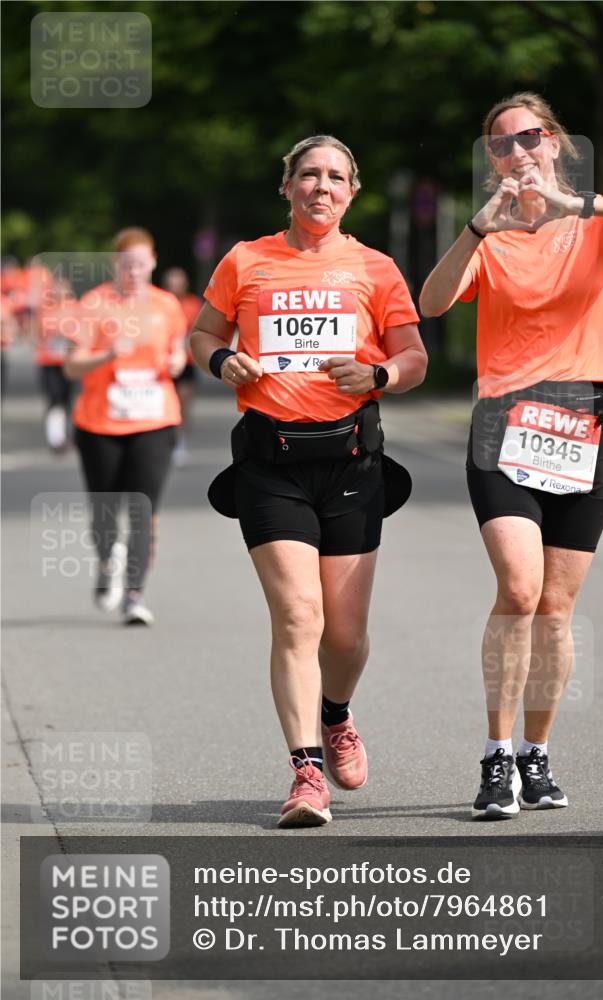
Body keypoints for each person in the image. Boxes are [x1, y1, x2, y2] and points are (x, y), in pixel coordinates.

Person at [420, 91, 603, 819]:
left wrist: (573, 204)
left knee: (556, 609)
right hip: (506, 422)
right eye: (501, 144)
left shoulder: (594, 224)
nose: (517, 153)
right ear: (490, 159)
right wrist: (474, 226)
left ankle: (535, 755)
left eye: (529, 138)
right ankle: (495, 759)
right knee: (520, 590)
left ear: (553, 142)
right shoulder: (489, 236)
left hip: (587, 424)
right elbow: (432, 303)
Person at [191, 135, 427, 827]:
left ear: (351, 192)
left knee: (345, 636)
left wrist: (380, 374)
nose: (320, 187)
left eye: (334, 177)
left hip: (352, 461)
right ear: (286, 186)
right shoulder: (246, 260)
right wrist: (221, 361)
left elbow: (411, 355)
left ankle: (336, 714)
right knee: (298, 616)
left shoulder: (374, 267)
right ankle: (305, 774)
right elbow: (202, 333)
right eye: (308, 175)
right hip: (269, 464)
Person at [64, 227, 187, 625]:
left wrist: (177, 362)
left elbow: (179, 349)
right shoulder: (94, 304)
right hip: (100, 422)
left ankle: (134, 594)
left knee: (142, 509)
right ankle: (106, 561)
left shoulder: (166, 305)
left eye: (141, 263)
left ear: (152, 262)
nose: (134, 271)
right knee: (104, 509)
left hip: (154, 419)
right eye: (126, 264)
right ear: (116, 265)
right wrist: (102, 356)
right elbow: (71, 365)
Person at [161, 266, 202, 465]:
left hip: (186, 362)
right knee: (164, 403)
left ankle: (181, 443)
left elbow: (198, 332)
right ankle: (164, 442)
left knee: (183, 404)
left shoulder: (193, 304)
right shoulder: (159, 303)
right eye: (171, 283)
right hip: (161, 363)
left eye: (178, 282)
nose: (175, 287)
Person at [33, 277, 79, 452]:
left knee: (68, 399)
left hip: (69, 362)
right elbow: (37, 333)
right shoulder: (45, 309)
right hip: (49, 360)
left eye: (62, 288)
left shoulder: (75, 308)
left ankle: (68, 434)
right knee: (55, 399)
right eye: (56, 289)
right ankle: (56, 438)